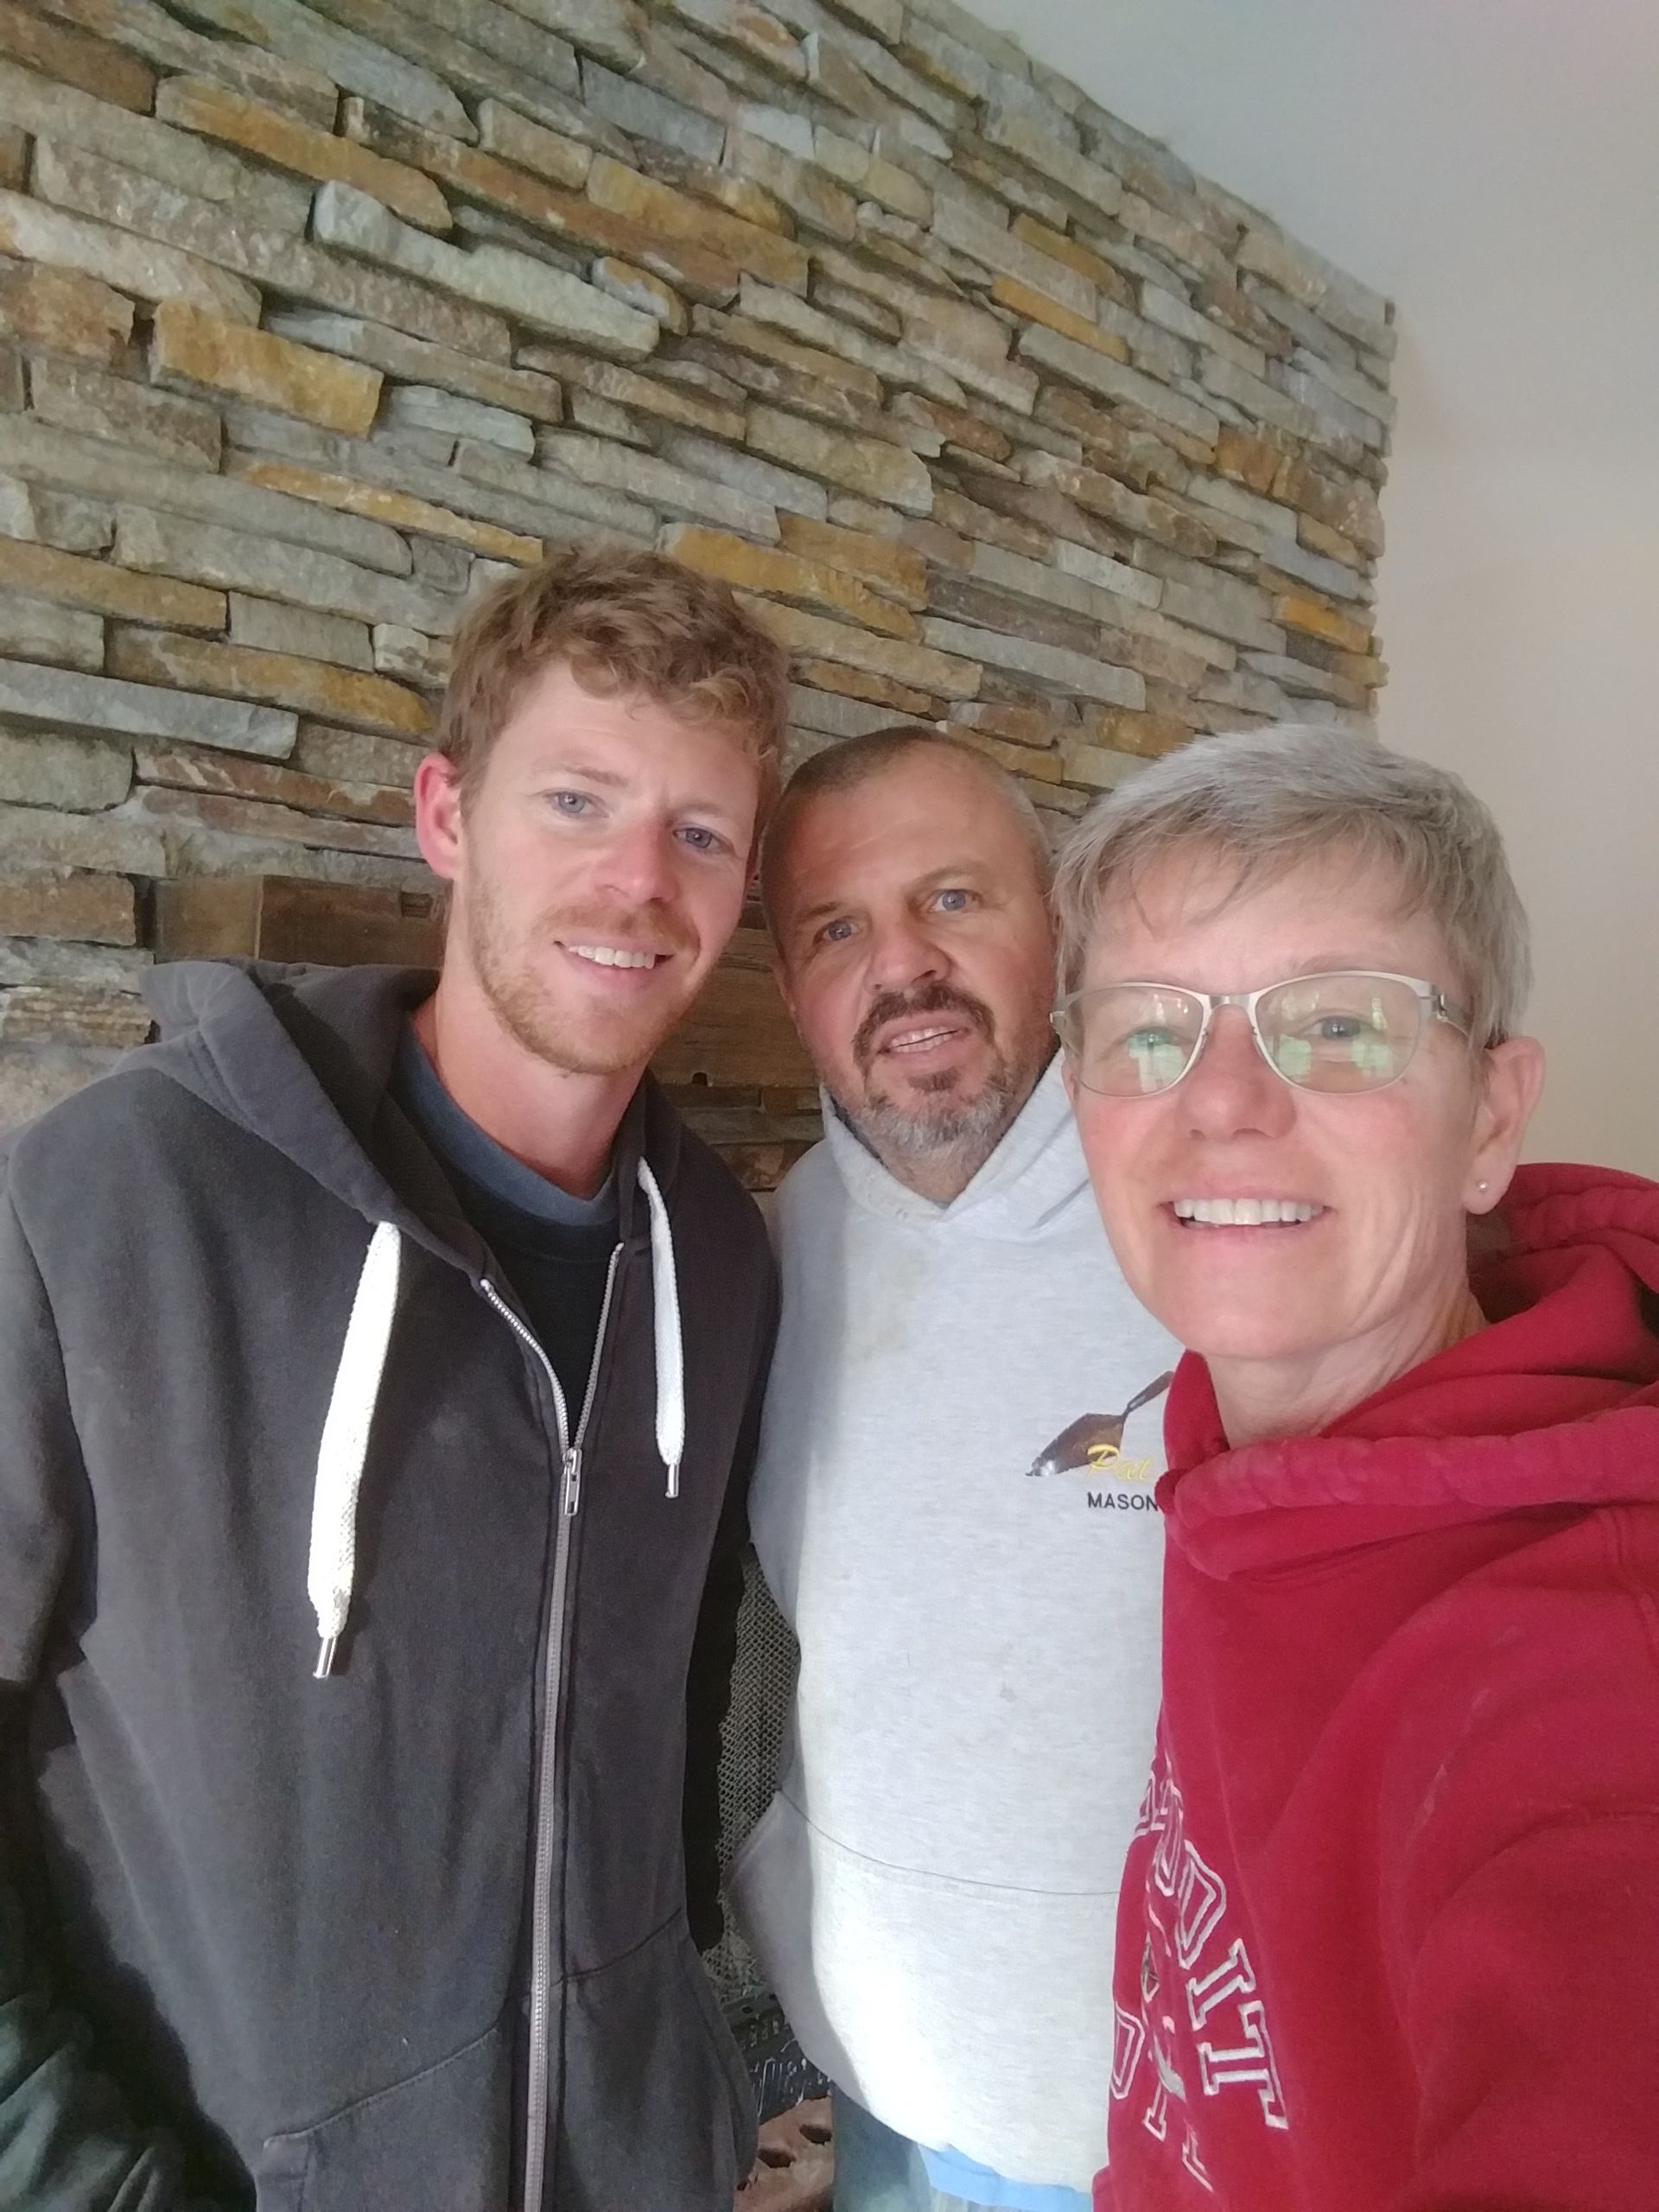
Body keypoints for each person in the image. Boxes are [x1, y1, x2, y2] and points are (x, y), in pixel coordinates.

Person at [0, 545, 788, 2211]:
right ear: (446, 817)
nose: (640, 881)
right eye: (577, 801)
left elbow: (683, 1727)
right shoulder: (101, 1205)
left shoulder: (719, 1258)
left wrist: (695, 2096)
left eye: (700, 833)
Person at [1049, 722, 1659, 2210]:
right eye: (1150, 1029)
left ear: (1491, 1119)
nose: (1224, 1100)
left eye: (1339, 1025)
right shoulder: (1234, 1443)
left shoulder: (1586, 1679)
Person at [733, 728, 1179, 2211]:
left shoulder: (1205, 1214)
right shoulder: (767, 1258)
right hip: (875, 2093)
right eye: (839, 928)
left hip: (1154, 2132)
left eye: (955, 899)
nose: (904, 966)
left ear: (1053, 925)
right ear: (793, 986)